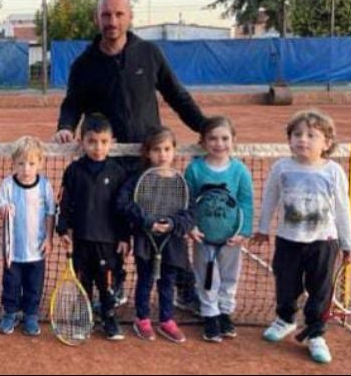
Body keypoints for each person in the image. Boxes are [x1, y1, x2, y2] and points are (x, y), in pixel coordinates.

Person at [54, 0, 207, 308]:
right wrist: (66, 127)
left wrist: (204, 127)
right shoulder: (84, 64)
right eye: (106, 15)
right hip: (106, 160)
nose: (112, 21)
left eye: (118, 14)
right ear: (97, 18)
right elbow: (72, 103)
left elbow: (177, 96)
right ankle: (117, 282)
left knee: (166, 222)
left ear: (130, 17)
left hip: (147, 159)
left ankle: (182, 284)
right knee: (110, 224)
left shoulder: (149, 54)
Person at [253, 110, 351, 364]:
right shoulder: (281, 168)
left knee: (320, 290)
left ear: (327, 144)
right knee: (285, 284)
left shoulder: (333, 172)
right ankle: (285, 319)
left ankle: (316, 333)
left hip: (324, 242)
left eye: (311, 135)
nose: (303, 140)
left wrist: (348, 243)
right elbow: (270, 199)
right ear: (289, 139)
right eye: (297, 134)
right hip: (288, 240)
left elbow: (343, 208)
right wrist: (263, 228)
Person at [56, 114, 129, 341]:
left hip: (108, 241)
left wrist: (125, 237)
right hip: (81, 240)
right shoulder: (73, 171)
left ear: (112, 142)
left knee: (106, 284)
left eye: (103, 142)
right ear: (81, 142)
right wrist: (62, 229)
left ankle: (109, 319)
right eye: (92, 141)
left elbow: (122, 208)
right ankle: (82, 319)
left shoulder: (117, 172)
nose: (98, 147)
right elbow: (65, 203)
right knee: (82, 283)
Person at [118, 127, 193, 344]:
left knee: (167, 282)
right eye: (156, 149)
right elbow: (122, 204)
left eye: (167, 149)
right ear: (147, 153)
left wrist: (173, 224)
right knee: (145, 279)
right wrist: (147, 221)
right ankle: (142, 318)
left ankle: (167, 320)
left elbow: (190, 213)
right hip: (146, 240)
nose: (162, 154)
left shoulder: (182, 181)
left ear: (174, 151)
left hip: (172, 241)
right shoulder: (137, 179)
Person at [185, 116, 254, 342]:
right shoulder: (194, 169)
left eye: (225, 138)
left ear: (233, 140)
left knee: (229, 276)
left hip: (230, 237)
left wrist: (242, 231)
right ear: (203, 142)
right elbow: (187, 200)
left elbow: (246, 201)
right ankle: (210, 315)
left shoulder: (240, 171)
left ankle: (225, 312)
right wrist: (191, 226)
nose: (219, 143)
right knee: (205, 276)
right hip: (203, 236)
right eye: (212, 138)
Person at [0, 136, 56, 336]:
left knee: (34, 286)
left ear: (40, 163)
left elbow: (50, 213)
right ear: (14, 163)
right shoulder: (8, 185)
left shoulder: (44, 185)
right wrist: (4, 209)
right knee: (11, 285)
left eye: (31, 163)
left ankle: (31, 315)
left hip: (36, 250)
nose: (26, 168)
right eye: (21, 163)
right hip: (12, 250)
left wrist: (48, 238)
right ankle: (10, 314)